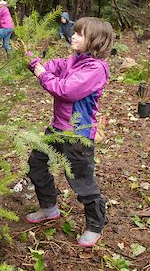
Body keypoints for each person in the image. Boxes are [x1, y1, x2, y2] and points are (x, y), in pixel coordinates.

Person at [26, 17, 114, 247]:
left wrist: (41, 73)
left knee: (81, 181)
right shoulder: (75, 59)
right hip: (57, 127)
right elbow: (56, 66)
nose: (73, 36)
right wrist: (33, 61)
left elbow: (66, 91)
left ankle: (95, 226)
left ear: (95, 41)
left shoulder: (95, 69)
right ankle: (49, 207)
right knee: (36, 163)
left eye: (80, 34)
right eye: (74, 32)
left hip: (77, 134)